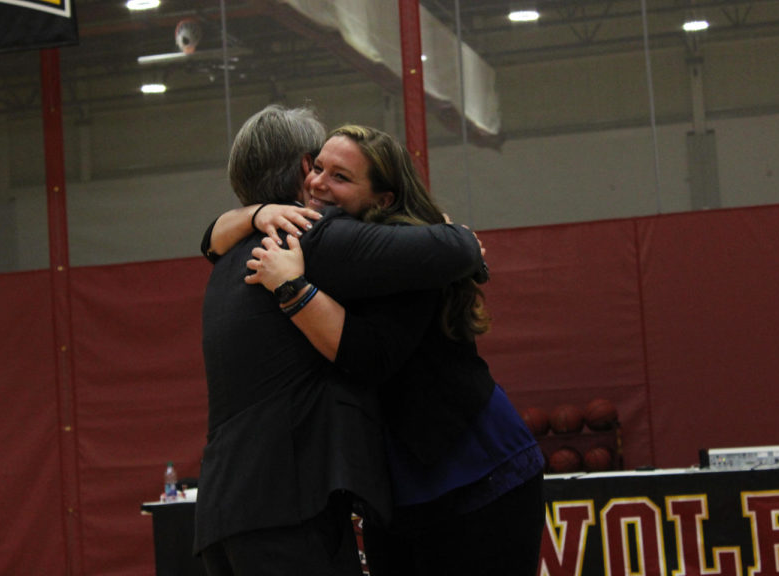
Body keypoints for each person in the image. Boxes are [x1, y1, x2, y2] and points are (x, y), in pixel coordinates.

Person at [194, 105, 488, 576]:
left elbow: (208, 238)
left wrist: (248, 215)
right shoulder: (309, 239)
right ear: (302, 168)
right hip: (288, 511)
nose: (320, 182)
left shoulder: (226, 259)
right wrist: (462, 240)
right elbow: (452, 248)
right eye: (318, 167)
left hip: (222, 513)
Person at [240, 125, 546, 576]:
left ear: (383, 199)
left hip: (477, 471)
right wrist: (248, 217)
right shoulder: (332, 240)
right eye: (318, 167)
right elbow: (214, 238)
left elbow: (369, 357)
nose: (319, 183)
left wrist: (291, 288)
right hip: (398, 492)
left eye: (341, 177)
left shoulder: (403, 251)